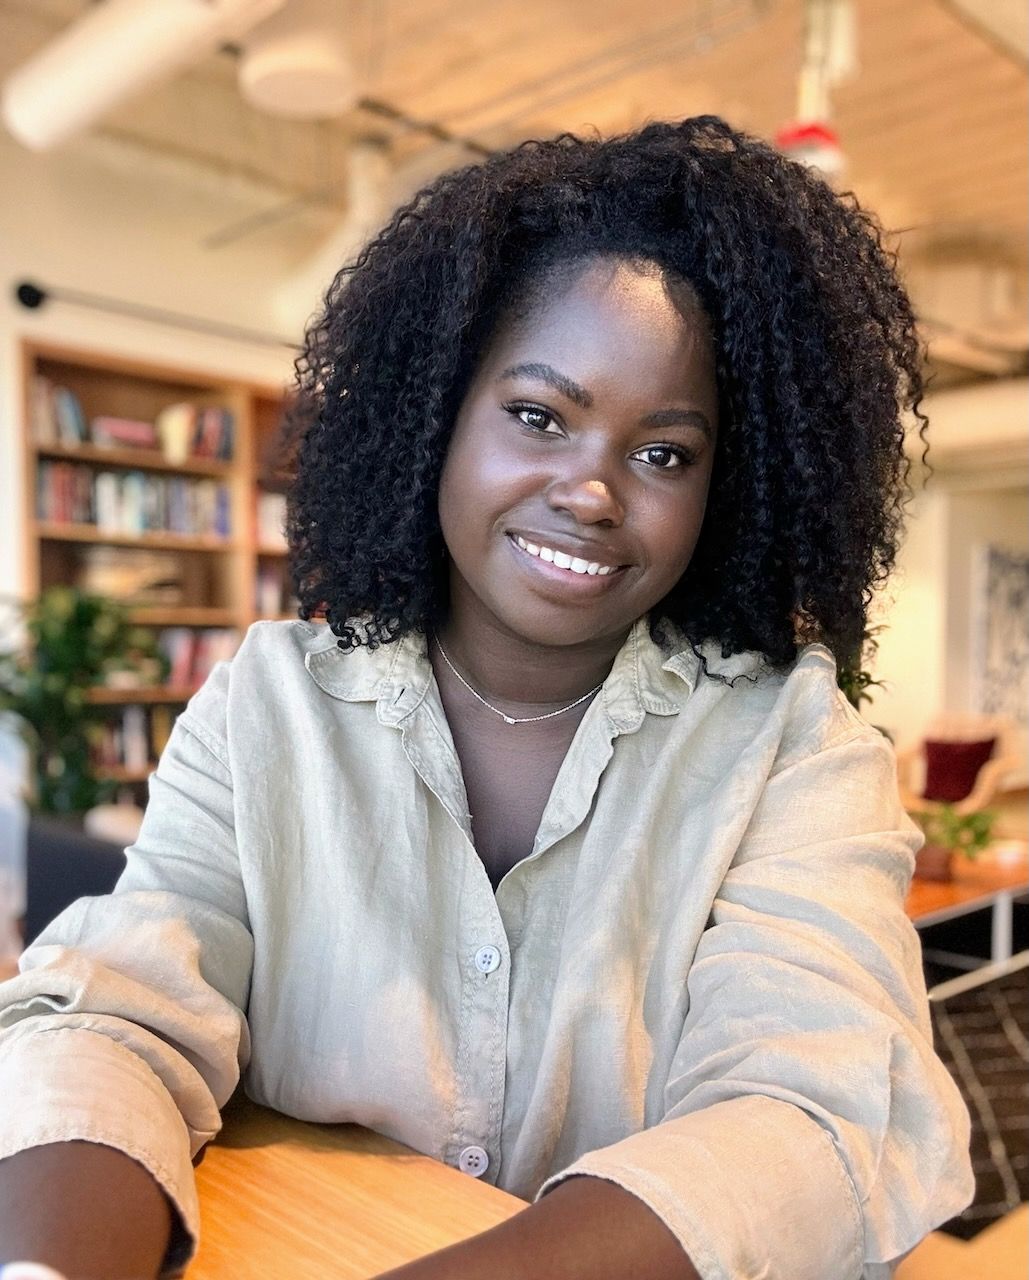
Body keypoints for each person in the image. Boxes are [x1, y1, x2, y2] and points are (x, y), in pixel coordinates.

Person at [0, 116, 972, 1279]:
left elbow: (817, 1120)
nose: (594, 489)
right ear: (435, 418)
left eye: (664, 452)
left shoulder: (793, 748)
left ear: (732, 485)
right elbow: (116, 1013)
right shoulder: (270, 708)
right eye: (538, 416)